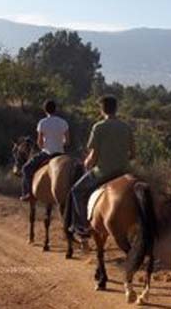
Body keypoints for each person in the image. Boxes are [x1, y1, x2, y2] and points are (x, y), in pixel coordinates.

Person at [68, 95, 135, 237]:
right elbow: (133, 153)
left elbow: (93, 155)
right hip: (124, 171)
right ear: (116, 109)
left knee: (76, 191)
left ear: (102, 110)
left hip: (103, 172)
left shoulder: (98, 127)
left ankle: (83, 226)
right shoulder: (126, 127)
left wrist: (87, 163)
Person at [20, 100, 69, 201]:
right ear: (56, 109)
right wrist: (60, 144)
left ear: (45, 110)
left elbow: (39, 142)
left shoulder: (42, 123)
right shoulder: (63, 122)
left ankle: (28, 193)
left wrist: (43, 147)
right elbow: (67, 141)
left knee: (26, 168)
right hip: (60, 154)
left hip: (47, 153)